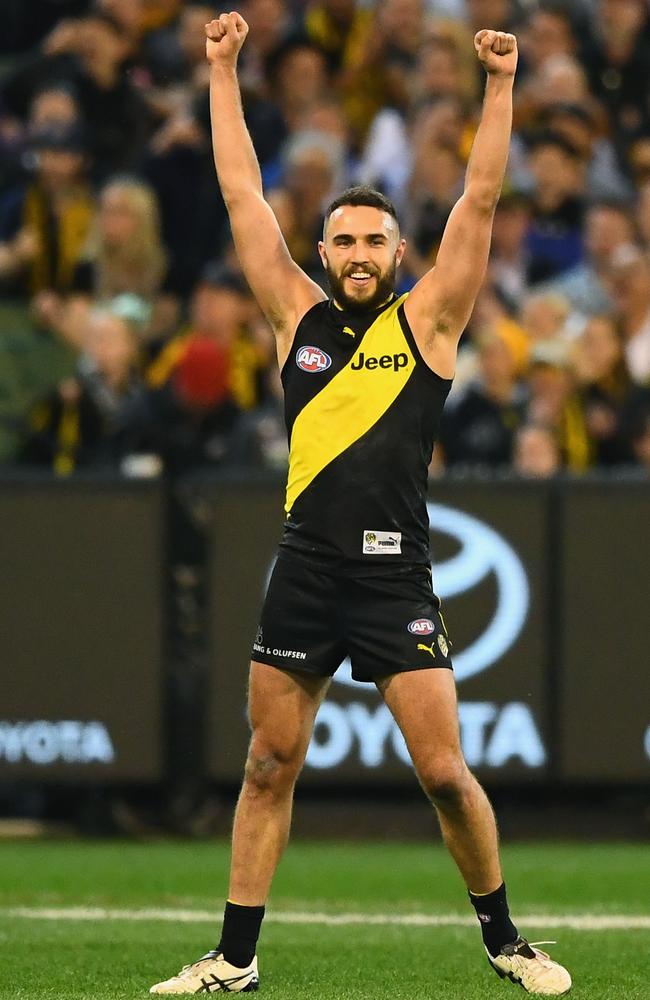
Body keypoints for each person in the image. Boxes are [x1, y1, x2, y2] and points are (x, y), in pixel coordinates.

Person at [150, 12, 571, 996]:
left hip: (393, 572)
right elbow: (237, 189)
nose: (354, 251)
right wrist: (222, 68)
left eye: (371, 239)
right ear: (323, 245)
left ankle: (505, 939)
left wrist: (499, 86)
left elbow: (478, 193)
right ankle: (234, 959)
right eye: (340, 238)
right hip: (304, 564)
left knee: (441, 772)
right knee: (267, 762)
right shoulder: (293, 315)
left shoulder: (428, 321)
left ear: (394, 248)